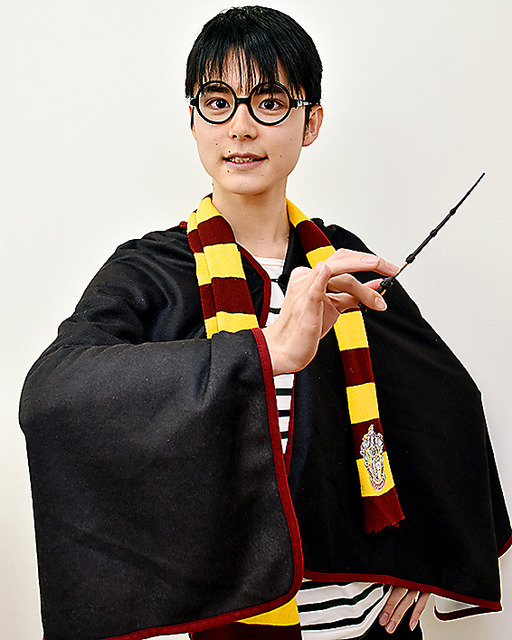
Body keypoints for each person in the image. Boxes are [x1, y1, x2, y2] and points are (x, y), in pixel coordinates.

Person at [19, 6, 510, 640]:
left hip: (365, 619)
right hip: (229, 612)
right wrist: (264, 354)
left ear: (312, 122)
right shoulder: (152, 270)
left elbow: (447, 405)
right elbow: (53, 394)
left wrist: (428, 557)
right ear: (194, 121)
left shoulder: (341, 264)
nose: (241, 127)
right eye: (218, 102)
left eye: (270, 102)